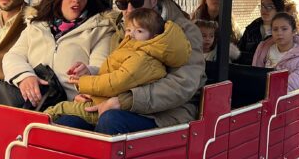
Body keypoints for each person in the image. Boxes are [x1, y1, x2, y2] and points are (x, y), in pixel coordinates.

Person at [54, 0, 206, 134]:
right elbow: (114, 70)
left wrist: (125, 101)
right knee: (66, 122)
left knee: (111, 122)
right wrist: (90, 90)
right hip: (117, 104)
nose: (129, 9)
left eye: (137, 2)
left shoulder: (183, 32)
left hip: (167, 111)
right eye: (123, 4)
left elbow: (182, 84)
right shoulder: (121, 29)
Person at [43, 8, 191, 125]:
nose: (130, 35)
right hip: (104, 99)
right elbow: (111, 72)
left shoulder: (142, 59)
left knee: (62, 109)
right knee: (68, 118)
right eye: (128, 30)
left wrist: (83, 83)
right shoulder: (130, 49)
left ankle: (41, 119)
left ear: (153, 37)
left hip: (114, 106)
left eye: (139, 31)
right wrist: (90, 82)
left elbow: (117, 81)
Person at [2, 0, 115, 105]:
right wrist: (25, 76)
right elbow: (13, 56)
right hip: (34, 101)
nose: (76, 0)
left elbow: (101, 68)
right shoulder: (36, 24)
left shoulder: (102, 29)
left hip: (72, 105)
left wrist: (88, 71)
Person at [252, 13, 299, 92]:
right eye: (275, 29)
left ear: (293, 31)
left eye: (284, 29)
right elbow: (255, 73)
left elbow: (291, 86)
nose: (279, 33)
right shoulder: (264, 50)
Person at [238, 0, 285, 65]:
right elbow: (239, 52)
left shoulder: (284, 31)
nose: (264, 10)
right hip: (248, 71)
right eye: (262, 6)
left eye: (269, 7)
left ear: (278, 10)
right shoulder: (252, 28)